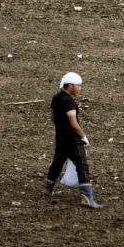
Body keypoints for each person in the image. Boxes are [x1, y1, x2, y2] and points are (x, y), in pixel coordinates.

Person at [45, 72, 99, 209]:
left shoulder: (56, 98)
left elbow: (53, 118)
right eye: (78, 86)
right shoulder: (69, 102)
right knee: (82, 166)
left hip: (60, 138)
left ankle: (47, 189)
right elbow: (74, 124)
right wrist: (83, 137)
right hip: (72, 141)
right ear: (70, 86)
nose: (80, 88)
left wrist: (61, 129)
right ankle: (86, 198)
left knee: (57, 162)